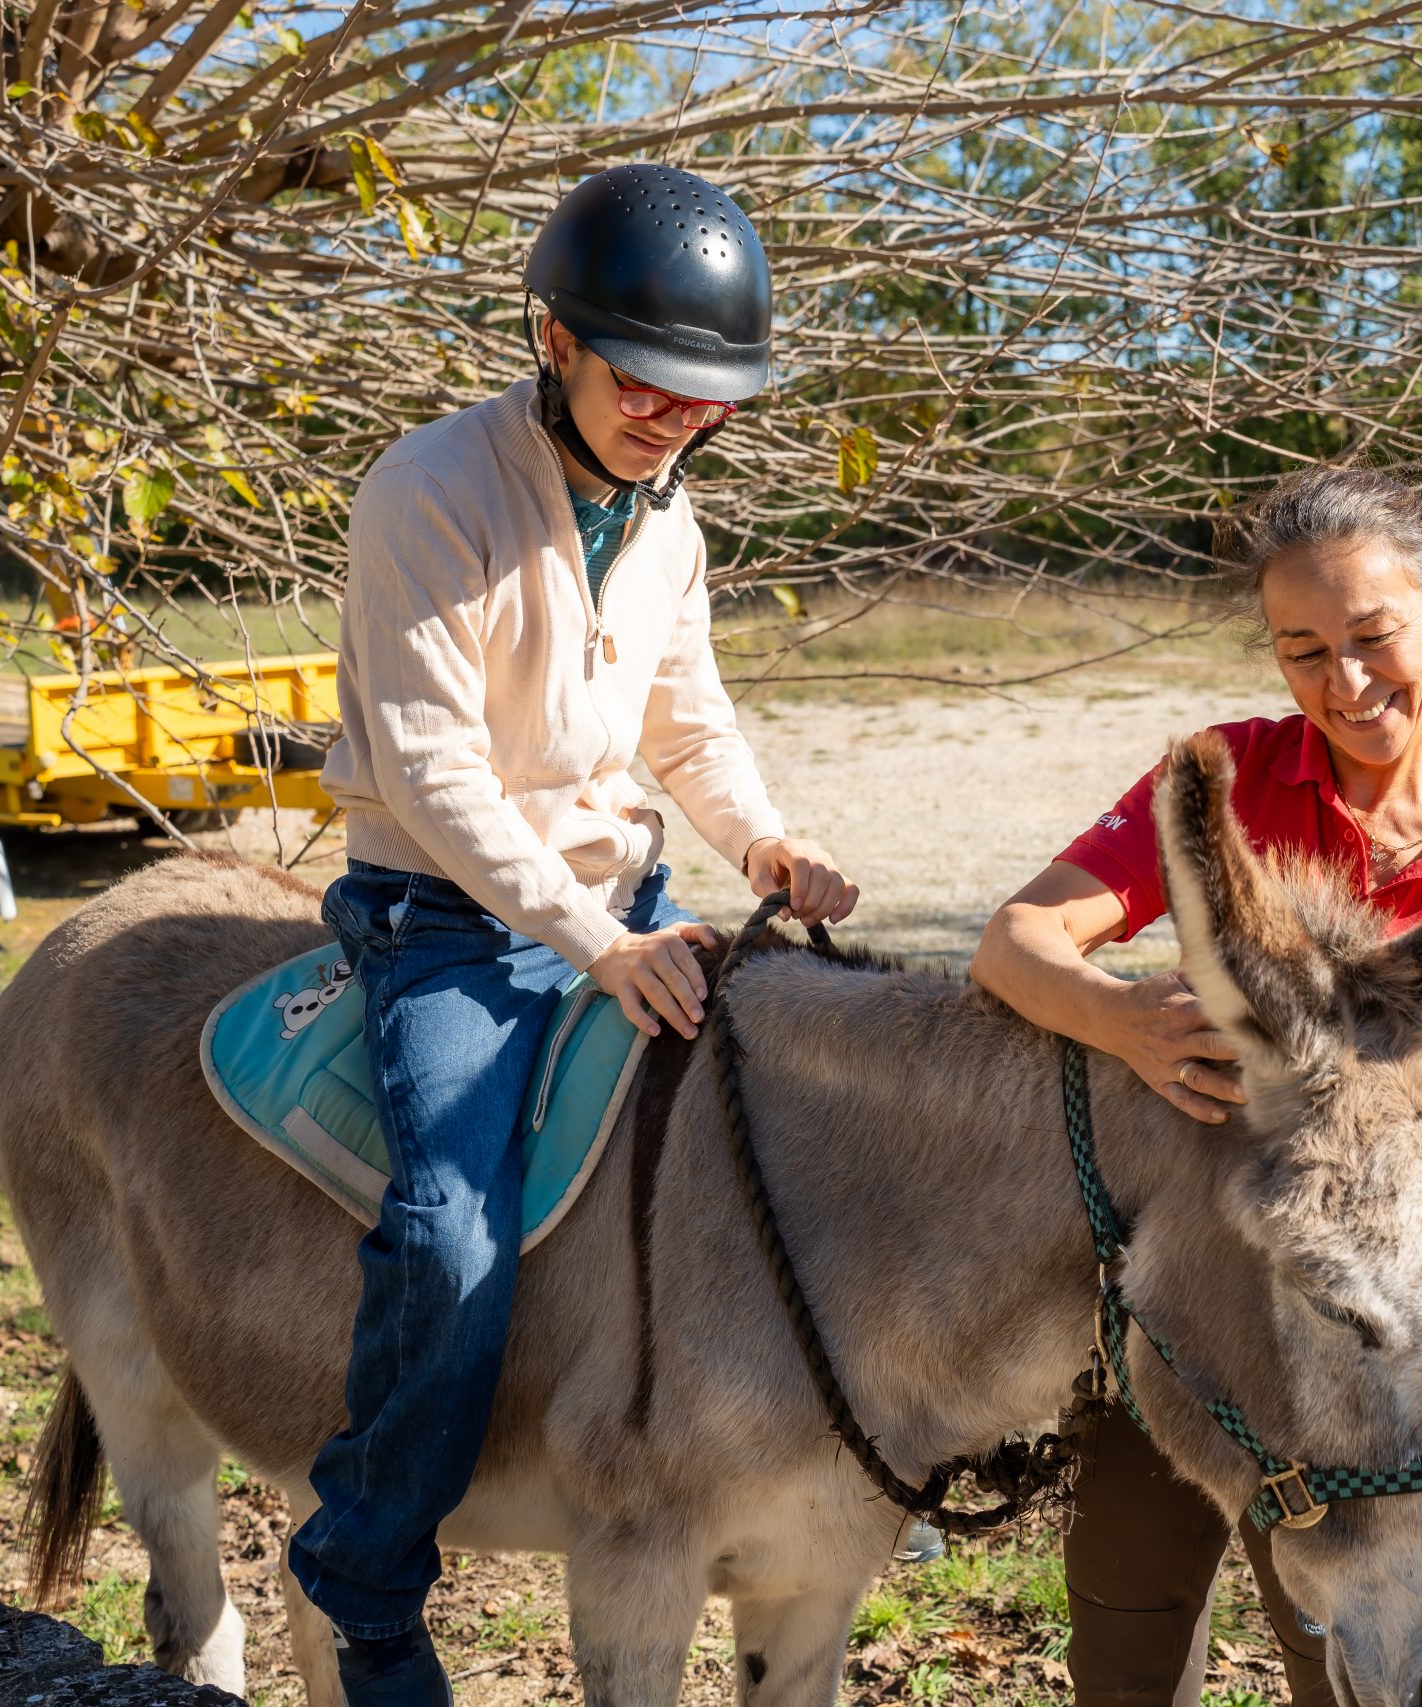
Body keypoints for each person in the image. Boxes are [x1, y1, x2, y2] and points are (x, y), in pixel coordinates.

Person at [295, 164, 862, 1707]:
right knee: (456, 1234)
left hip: (624, 900)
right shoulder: (428, 488)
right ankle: (363, 1569)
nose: (675, 417)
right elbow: (432, 769)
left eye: (709, 399)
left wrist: (763, 839)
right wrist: (593, 939)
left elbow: (690, 721)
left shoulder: (666, 521)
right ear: (552, 338)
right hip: (453, 920)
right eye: (646, 382)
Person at [969, 463, 1422, 1707]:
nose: (1342, 685)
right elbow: (1012, 942)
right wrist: (1123, 1020)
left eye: (1371, 638)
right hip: (1185, 1311)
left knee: (1349, 1672)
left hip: (1352, 1359)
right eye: (1300, 650)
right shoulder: (1231, 775)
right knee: (1128, 1647)